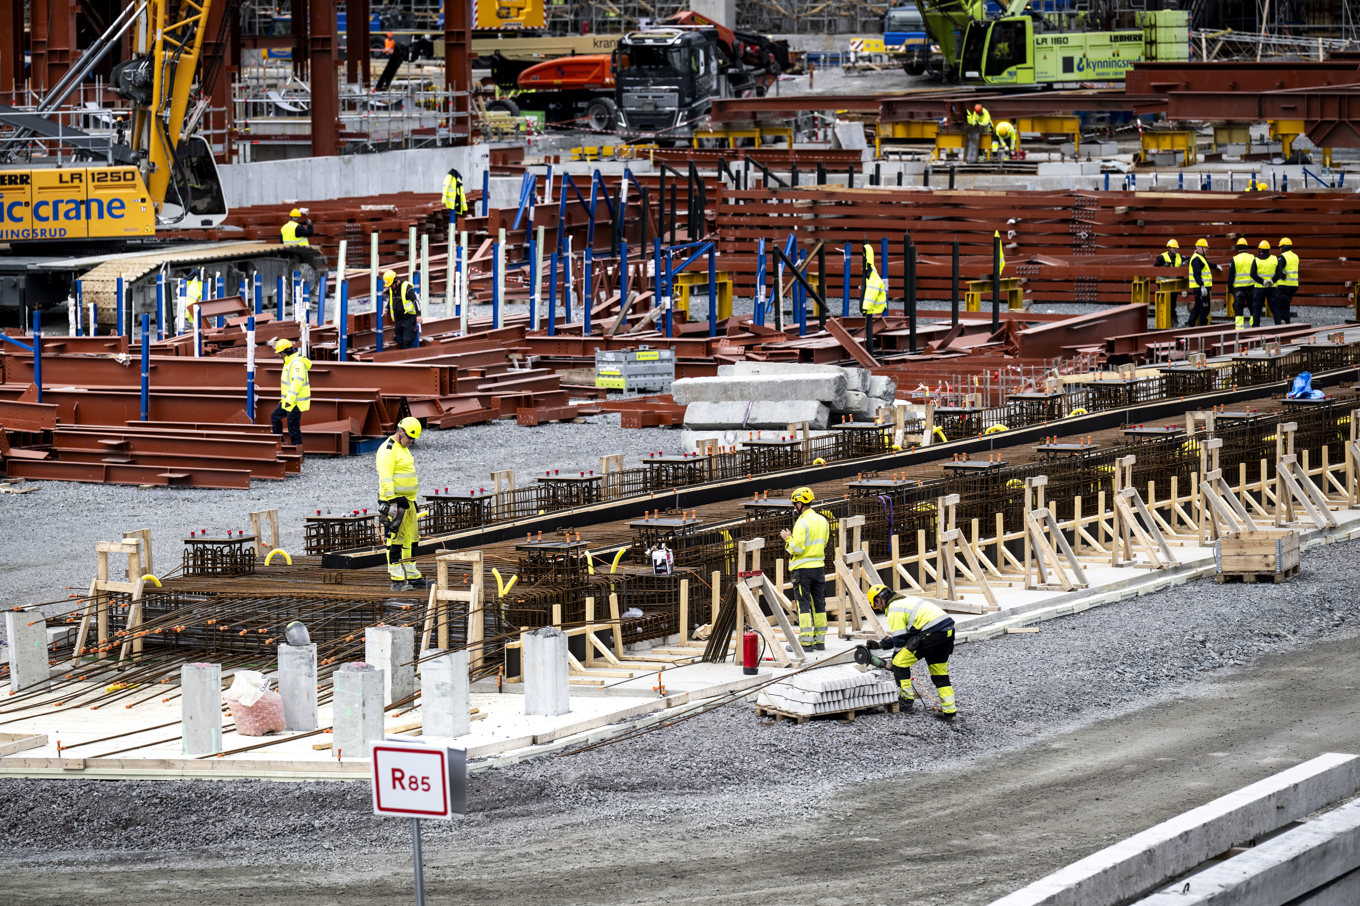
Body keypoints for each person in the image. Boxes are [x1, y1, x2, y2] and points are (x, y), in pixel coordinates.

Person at [865, 584, 957, 719]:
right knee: (939, 671)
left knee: (899, 662)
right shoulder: (905, 601)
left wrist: (894, 663)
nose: (879, 608)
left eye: (876, 605)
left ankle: (906, 702)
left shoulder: (894, 609)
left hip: (931, 633)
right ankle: (950, 711)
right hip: (947, 630)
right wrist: (880, 645)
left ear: (879, 600)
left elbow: (900, 643)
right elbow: (906, 635)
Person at [376, 416, 427, 591]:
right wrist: (393, 501)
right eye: (410, 438)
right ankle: (397, 580)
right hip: (395, 504)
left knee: (412, 540)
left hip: (408, 503)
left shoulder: (403, 448)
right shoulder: (388, 450)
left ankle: (412, 576)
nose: (411, 442)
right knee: (395, 541)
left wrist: (410, 499)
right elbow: (386, 478)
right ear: (400, 432)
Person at [779, 486, 829, 652]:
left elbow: (797, 549)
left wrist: (788, 539)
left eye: (795, 504)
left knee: (803, 604)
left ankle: (806, 642)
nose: (795, 507)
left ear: (800, 503)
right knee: (819, 603)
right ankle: (819, 640)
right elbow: (825, 543)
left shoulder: (801, 523)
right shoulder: (823, 520)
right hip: (819, 568)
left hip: (802, 570)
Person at [269, 338, 311, 447]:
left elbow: (297, 383)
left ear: (286, 351)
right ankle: (279, 444)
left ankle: (298, 454)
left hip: (294, 402)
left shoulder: (296, 363)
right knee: (275, 417)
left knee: (293, 428)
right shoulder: (289, 361)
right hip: (288, 401)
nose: (279, 355)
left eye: (280, 353)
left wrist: (289, 400)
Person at [859, 244, 886, 357]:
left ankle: (869, 353)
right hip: (872, 308)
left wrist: (865, 308)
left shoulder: (871, 276)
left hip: (871, 308)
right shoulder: (871, 273)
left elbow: (871, 294)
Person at [383, 269, 421, 348]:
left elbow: (415, 301)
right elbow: (391, 300)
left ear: (396, 280)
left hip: (409, 319)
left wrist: (418, 315)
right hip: (398, 320)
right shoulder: (392, 289)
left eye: (391, 285)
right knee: (399, 341)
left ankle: (407, 359)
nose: (390, 287)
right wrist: (386, 308)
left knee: (406, 342)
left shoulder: (406, 287)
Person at [1249, 239, 1277, 329]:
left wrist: (1262, 282)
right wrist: (1272, 281)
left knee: (1257, 310)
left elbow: (1252, 274)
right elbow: (1279, 273)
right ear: (1269, 249)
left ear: (1260, 250)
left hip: (1259, 289)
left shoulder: (1256, 260)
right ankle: (1278, 327)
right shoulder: (1274, 259)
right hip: (1272, 288)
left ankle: (1255, 329)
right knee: (1275, 309)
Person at [1186, 238, 1213, 327]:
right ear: (1199, 248)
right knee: (1204, 308)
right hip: (1201, 288)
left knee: (1198, 307)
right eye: (1205, 248)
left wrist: (1216, 266)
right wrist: (1202, 286)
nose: (1207, 250)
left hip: (1201, 288)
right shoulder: (1197, 259)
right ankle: (1202, 326)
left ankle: (1191, 324)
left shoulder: (1200, 258)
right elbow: (1196, 274)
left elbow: (1207, 264)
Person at [1230, 237, 1255, 328]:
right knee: (1253, 308)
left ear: (1237, 248)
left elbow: (1231, 276)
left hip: (1239, 289)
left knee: (1238, 309)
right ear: (1246, 247)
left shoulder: (1235, 259)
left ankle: (1239, 329)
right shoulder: (1252, 257)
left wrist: (1230, 288)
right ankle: (1254, 326)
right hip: (1251, 288)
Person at [1274, 237, 1299, 325]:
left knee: (1278, 305)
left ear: (1283, 247)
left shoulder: (1282, 257)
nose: (1280, 249)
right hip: (1293, 285)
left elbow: (1278, 269)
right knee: (1286, 305)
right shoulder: (1296, 257)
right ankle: (1286, 323)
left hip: (1284, 285)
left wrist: (1281, 275)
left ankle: (1280, 324)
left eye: (1280, 247)